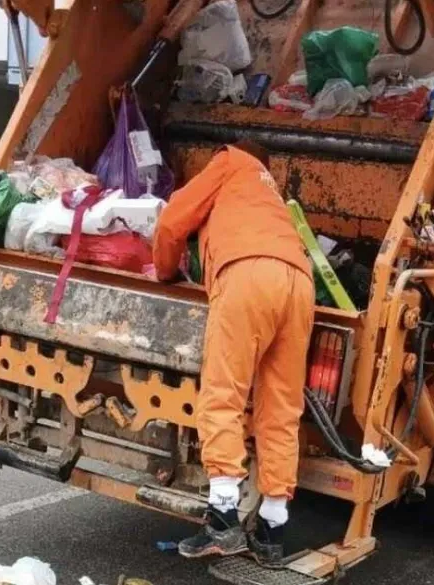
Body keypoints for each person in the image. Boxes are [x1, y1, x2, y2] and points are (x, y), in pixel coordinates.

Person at [151, 140, 314, 567]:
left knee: (223, 393)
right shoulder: (268, 193)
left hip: (248, 275)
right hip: (299, 284)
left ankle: (223, 518)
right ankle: (272, 529)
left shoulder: (230, 161)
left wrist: (165, 272)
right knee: (281, 408)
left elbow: (171, 221)